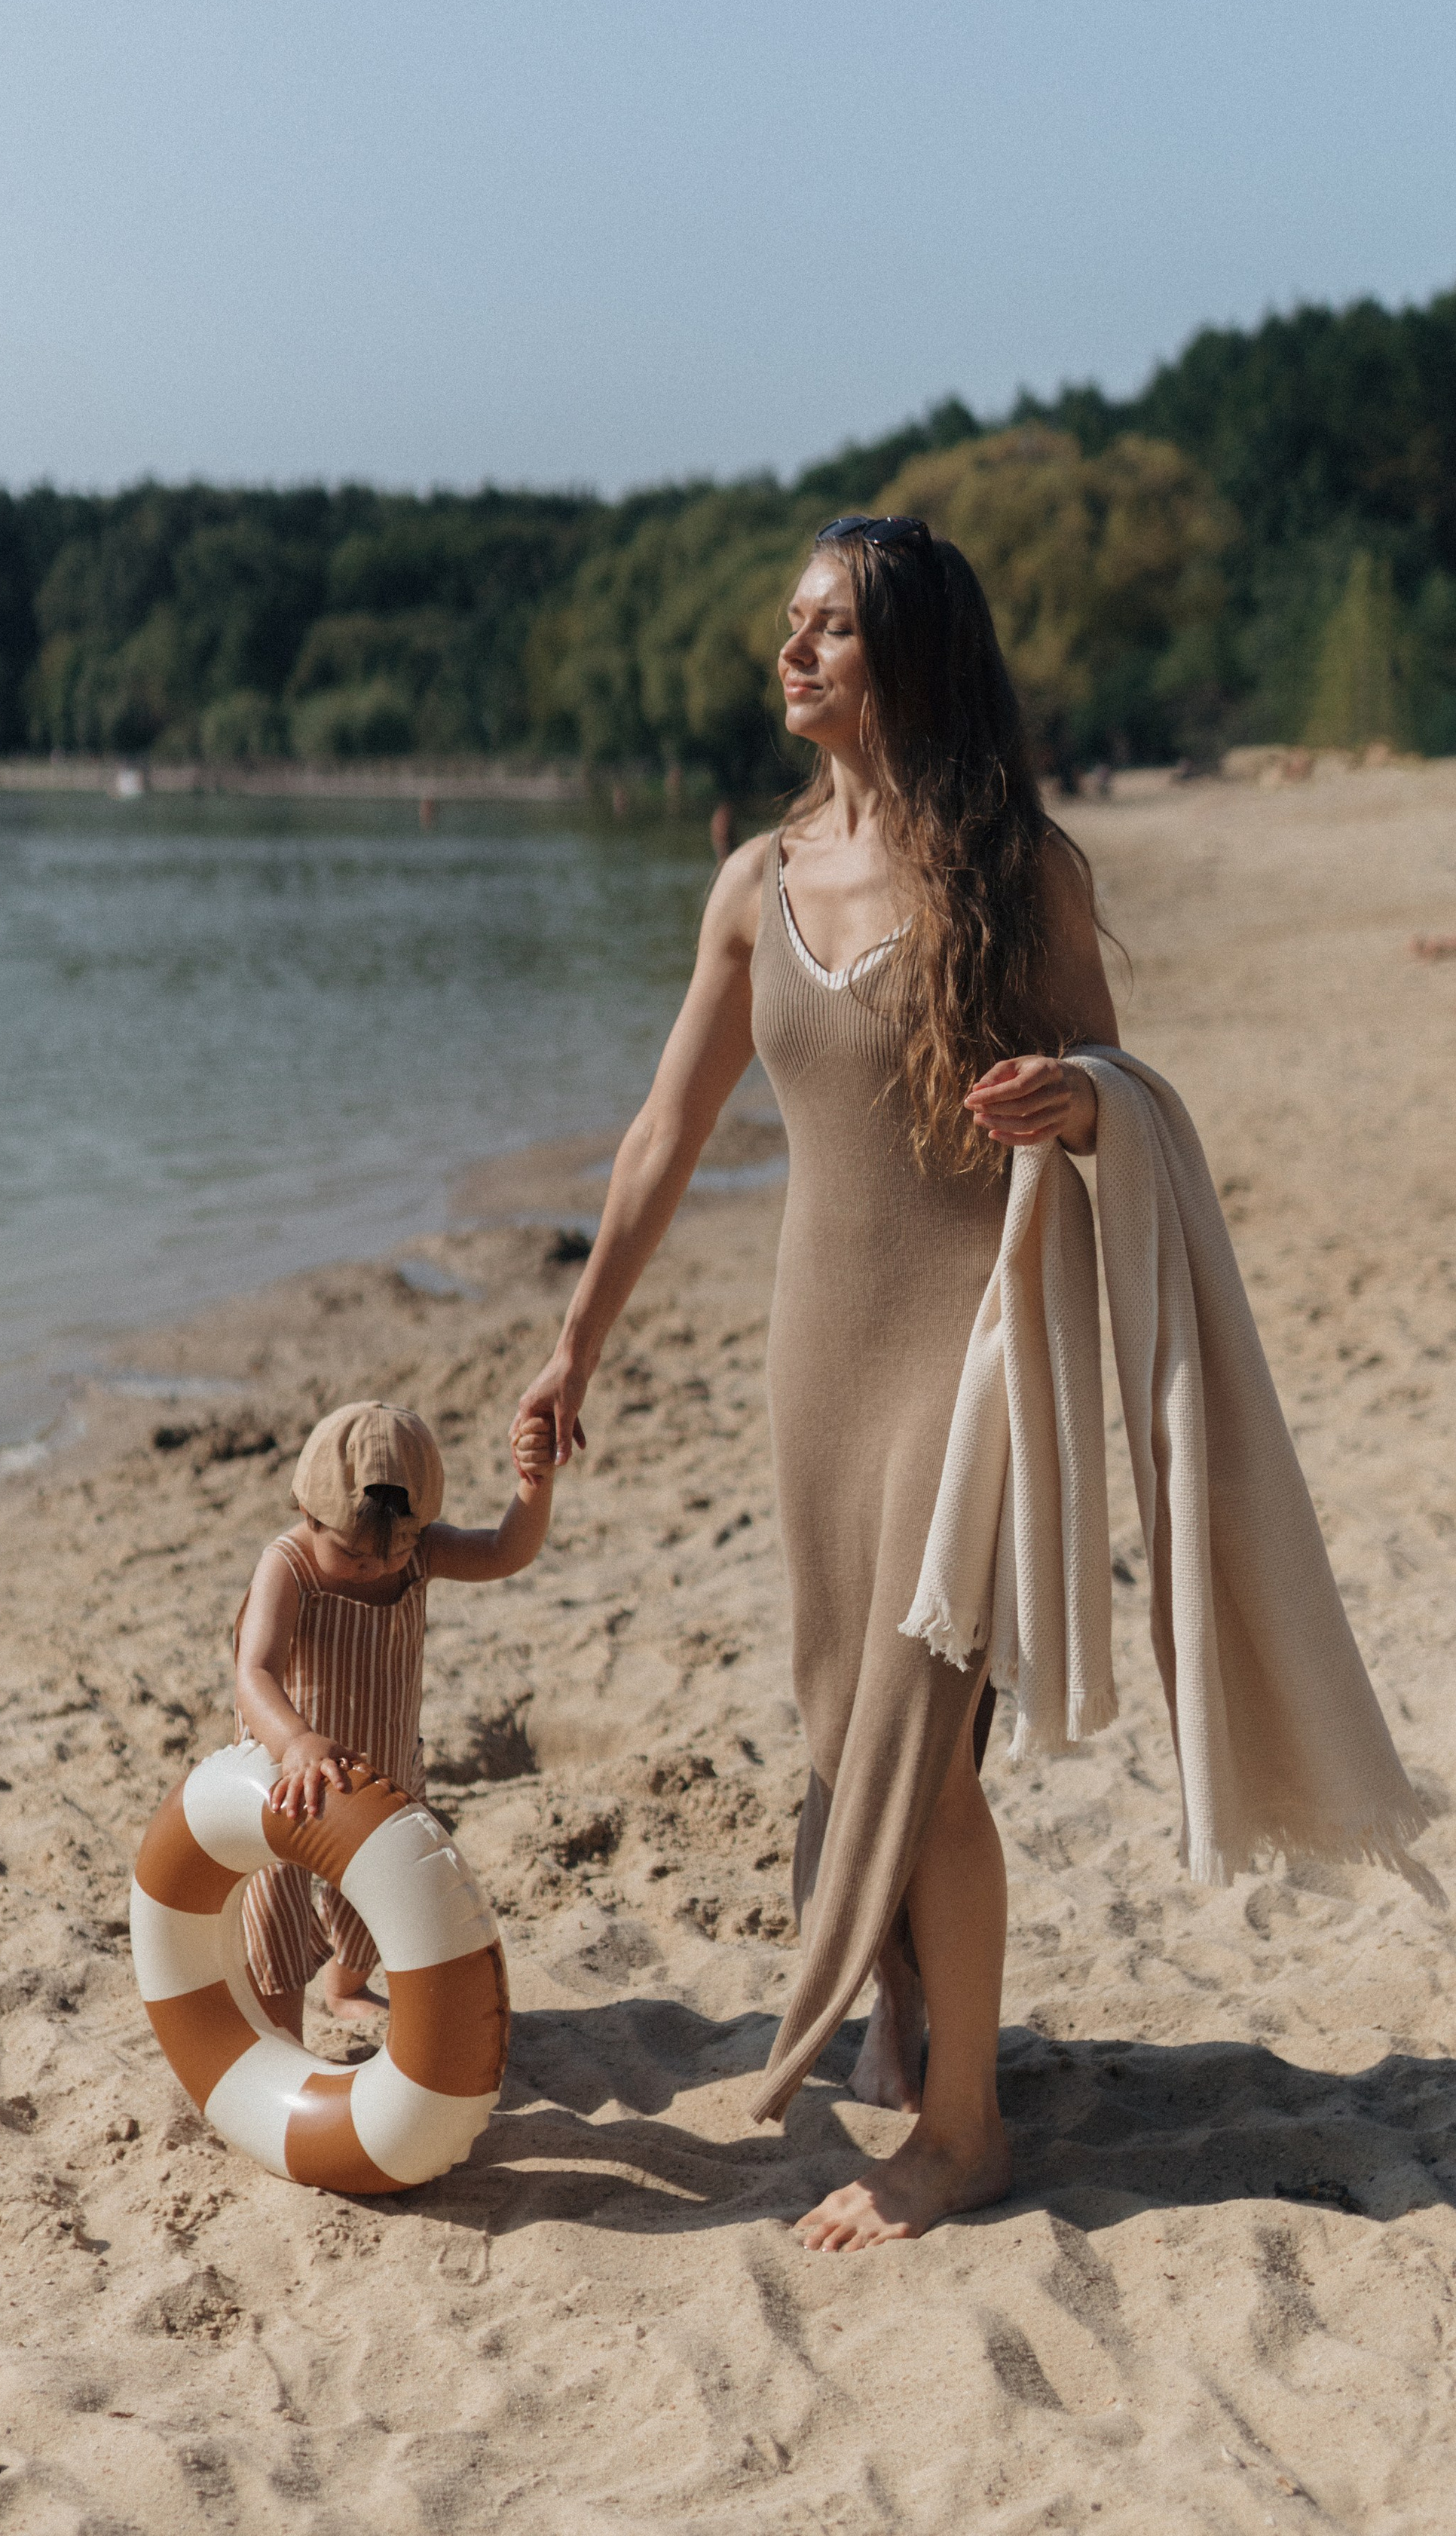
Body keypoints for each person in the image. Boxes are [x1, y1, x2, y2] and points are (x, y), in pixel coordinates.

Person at [512, 512, 1119, 2251]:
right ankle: (909, 2004)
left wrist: (1077, 1103)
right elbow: (659, 1133)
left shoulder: (1020, 872)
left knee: (921, 1748)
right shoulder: (750, 884)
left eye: (828, 627)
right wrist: (572, 1344)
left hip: (970, 1337)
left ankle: (961, 2128)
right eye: (786, 623)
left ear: (906, 656)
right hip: (814, 1349)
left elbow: (1117, 1089)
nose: (790, 652)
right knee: (848, 1718)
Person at [233, 1397, 556, 2044]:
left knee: (375, 1901)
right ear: (309, 1513)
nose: (378, 1566)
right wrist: (295, 1740)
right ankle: (282, 2043)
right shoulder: (290, 1565)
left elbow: (502, 1553)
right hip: (289, 1774)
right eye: (355, 1555)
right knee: (280, 1910)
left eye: (398, 1548)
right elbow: (255, 1671)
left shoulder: (419, 1552)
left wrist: (533, 1486)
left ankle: (348, 1985)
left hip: (383, 1768)